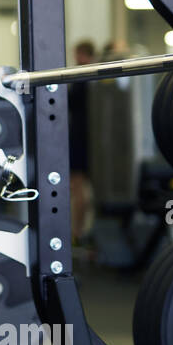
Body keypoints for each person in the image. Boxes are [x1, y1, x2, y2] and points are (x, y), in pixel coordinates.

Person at [67, 40, 96, 242]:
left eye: (77, 54)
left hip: (82, 138)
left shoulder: (85, 78)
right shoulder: (92, 77)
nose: (75, 58)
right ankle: (80, 231)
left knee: (78, 188)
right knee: (77, 188)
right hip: (88, 138)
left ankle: (78, 233)